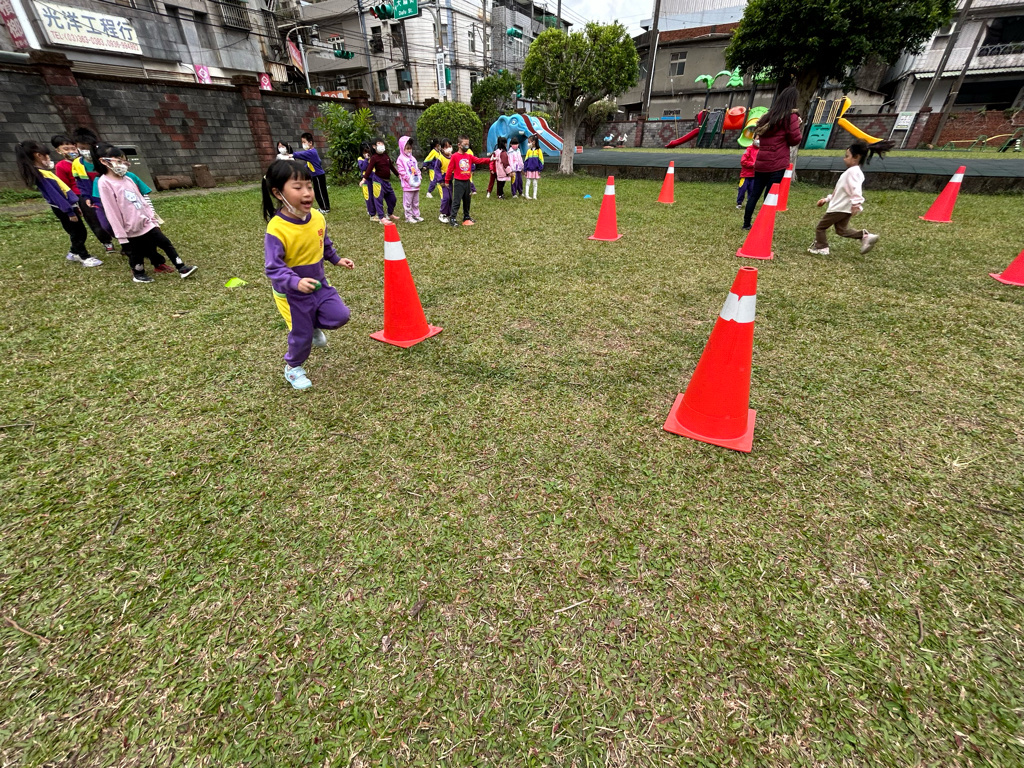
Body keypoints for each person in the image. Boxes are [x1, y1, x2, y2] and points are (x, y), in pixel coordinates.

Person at [262, 159, 354, 391]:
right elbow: (273, 268)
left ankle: (312, 325)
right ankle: (293, 367)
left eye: (309, 186)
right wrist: (295, 281)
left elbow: (323, 242)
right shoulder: (277, 228)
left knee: (340, 316)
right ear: (278, 193)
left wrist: (336, 259)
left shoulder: (318, 217)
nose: (306, 193)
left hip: (319, 284)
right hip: (292, 294)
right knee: (300, 336)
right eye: (297, 187)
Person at [95, 143, 197, 283]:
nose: (122, 164)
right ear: (104, 161)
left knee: (165, 243)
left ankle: (182, 268)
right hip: (130, 228)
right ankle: (138, 274)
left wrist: (152, 218)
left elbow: (141, 201)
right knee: (136, 253)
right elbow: (111, 210)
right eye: (118, 161)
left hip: (146, 222)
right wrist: (121, 235)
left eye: (124, 161)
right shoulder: (104, 183)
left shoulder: (128, 179)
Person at [15, 139, 102, 267]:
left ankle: (73, 252)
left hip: (67, 206)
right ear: (38, 155)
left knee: (76, 231)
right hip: (64, 208)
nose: (49, 158)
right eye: (47, 155)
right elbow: (56, 196)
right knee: (78, 232)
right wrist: (69, 212)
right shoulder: (42, 175)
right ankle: (83, 256)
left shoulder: (44, 173)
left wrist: (73, 206)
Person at [809, 140, 893, 256]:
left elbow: (856, 189)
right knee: (841, 230)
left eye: (847, 156)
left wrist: (856, 204)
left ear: (856, 157)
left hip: (839, 208)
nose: (844, 159)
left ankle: (821, 247)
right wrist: (827, 199)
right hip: (845, 207)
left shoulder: (853, 172)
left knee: (820, 228)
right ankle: (865, 236)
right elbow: (841, 192)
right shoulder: (854, 172)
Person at [743, 85, 802, 230]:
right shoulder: (790, 117)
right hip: (777, 163)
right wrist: (798, 125)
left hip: (761, 163)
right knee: (770, 196)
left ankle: (746, 223)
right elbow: (795, 139)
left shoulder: (767, 117)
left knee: (755, 194)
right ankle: (763, 225)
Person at [70, 127, 116, 254]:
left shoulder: (103, 160)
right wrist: (86, 197)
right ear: (76, 146)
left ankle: (125, 241)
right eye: (82, 148)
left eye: (88, 147)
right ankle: (106, 241)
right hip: (92, 199)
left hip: (110, 196)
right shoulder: (77, 164)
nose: (86, 151)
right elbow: (79, 182)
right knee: (97, 222)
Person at [444, 135, 490, 226]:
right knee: (456, 201)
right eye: (465, 144)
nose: (467, 146)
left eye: (468, 144)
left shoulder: (469, 156)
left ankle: (466, 216)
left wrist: (490, 160)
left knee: (467, 200)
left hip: (467, 182)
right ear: (459, 145)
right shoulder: (454, 156)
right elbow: (449, 169)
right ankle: (452, 218)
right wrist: (446, 180)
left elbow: (479, 160)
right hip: (458, 182)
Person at [363, 137, 399, 223]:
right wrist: (364, 179)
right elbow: (369, 169)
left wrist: (398, 175)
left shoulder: (386, 156)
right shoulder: (374, 158)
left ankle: (389, 214)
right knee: (378, 200)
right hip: (378, 181)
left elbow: (391, 167)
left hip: (387, 182)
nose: (381, 145)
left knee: (393, 199)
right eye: (379, 143)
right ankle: (381, 217)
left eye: (382, 143)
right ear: (374, 146)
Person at [291, 132, 330, 213]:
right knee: (318, 192)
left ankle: (325, 208)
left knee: (320, 193)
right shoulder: (311, 153)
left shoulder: (311, 152)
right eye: (302, 142)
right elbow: (310, 164)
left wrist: (292, 154)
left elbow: (301, 154)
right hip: (316, 175)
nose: (303, 144)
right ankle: (323, 207)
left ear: (310, 143)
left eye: (304, 142)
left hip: (318, 175)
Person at [396, 135, 423, 223]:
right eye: (407, 148)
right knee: (408, 202)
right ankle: (408, 216)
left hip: (416, 184)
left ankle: (416, 215)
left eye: (410, 148)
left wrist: (419, 177)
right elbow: (401, 171)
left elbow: (417, 169)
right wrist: (408, 179)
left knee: (415, 201)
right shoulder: (400, 159)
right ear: (402, 148)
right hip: (408, 185)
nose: (409, 150)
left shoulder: (413, 158)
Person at [357, 142, 381, 221]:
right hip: (366, 181)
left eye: (368, 151)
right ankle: (372, 214)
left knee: (376, 195)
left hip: (374, 179)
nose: (367, 154)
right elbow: (363, 168)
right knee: (369, 197)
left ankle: (377, 211)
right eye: (365, 152)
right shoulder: (360, 159)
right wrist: (366, 159)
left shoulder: (373, 158)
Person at [737, 138, 759, 209]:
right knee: (742, 189)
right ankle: (739, 202)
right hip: (745, 174)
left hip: (754, 175)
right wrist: (752, 164)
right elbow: (743, 161)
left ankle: (750, 203)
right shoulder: (749, 149)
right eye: (757, 138)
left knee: (752, 190)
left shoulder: (761, 150)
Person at [437, 139, 454, 223]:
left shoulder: (452, 157)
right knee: (446, 198)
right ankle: (442, 213)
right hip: (443, 182)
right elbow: (437, 170)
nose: (448, 148)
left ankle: (448, 213)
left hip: (450, 181)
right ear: (442, 148)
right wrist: (440, 181)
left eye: (450, 146)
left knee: (450, 198)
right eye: (446, 147)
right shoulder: (440, 158)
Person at [523, 135, 544, 200]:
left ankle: (534, 196)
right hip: (529, 169)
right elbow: (526, 161)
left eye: (529, 142)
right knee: (528, 182)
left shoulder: (539, 151)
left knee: (535, 183)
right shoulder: (528, 151)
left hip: (536, 170)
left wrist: (540, 169)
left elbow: (541, 161)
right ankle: (527, 195)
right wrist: (525, 170)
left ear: (534, 142)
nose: (528, 143)